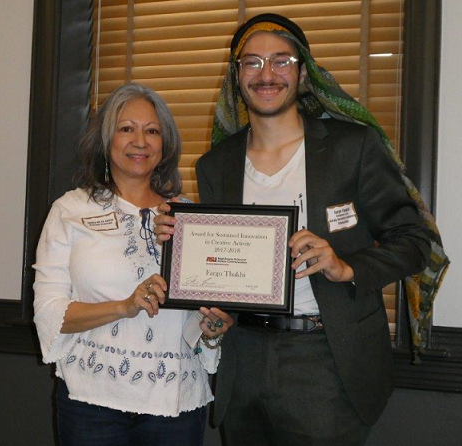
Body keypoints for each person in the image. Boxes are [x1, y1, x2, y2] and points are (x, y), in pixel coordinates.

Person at [154, 13, 449, 446]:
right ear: (237, 77)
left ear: (303, 71)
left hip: (326, 359)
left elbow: (415, 241)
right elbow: (226, 266)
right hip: (245, 357)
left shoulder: (353, 147)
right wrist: (186, 249)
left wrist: (345, 266)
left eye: (281, 61)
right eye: (252, 63)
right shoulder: (216, 164)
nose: (267, 74)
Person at [33, 83, 233, 446]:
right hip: (91, 402)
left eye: (152, 131)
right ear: (106, 140)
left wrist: (210, 326)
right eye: (127, 129)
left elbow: (195, 319)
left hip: (175, 405)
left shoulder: (191, 218)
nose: (140, 141)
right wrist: (124, 306)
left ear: (165, 145)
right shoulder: (70, 210)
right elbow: (50, 313)